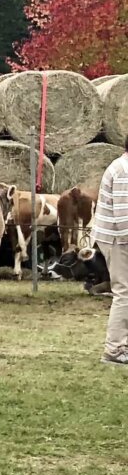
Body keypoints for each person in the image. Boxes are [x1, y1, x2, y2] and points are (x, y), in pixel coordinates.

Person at [97, 137, 128, 368]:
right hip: (118, 240)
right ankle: (114, 350)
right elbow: (124, 216)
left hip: (118, 238)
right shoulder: (124, 171)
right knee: (124, 292)